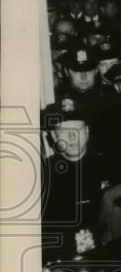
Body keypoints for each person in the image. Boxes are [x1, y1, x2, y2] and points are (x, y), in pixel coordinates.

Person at [40, 97, 105, 235]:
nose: (72, 136)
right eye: (64, 130)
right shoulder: (43, 173)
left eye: (77, 129)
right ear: (54, 136)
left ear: (87, 132)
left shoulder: (108, 166)